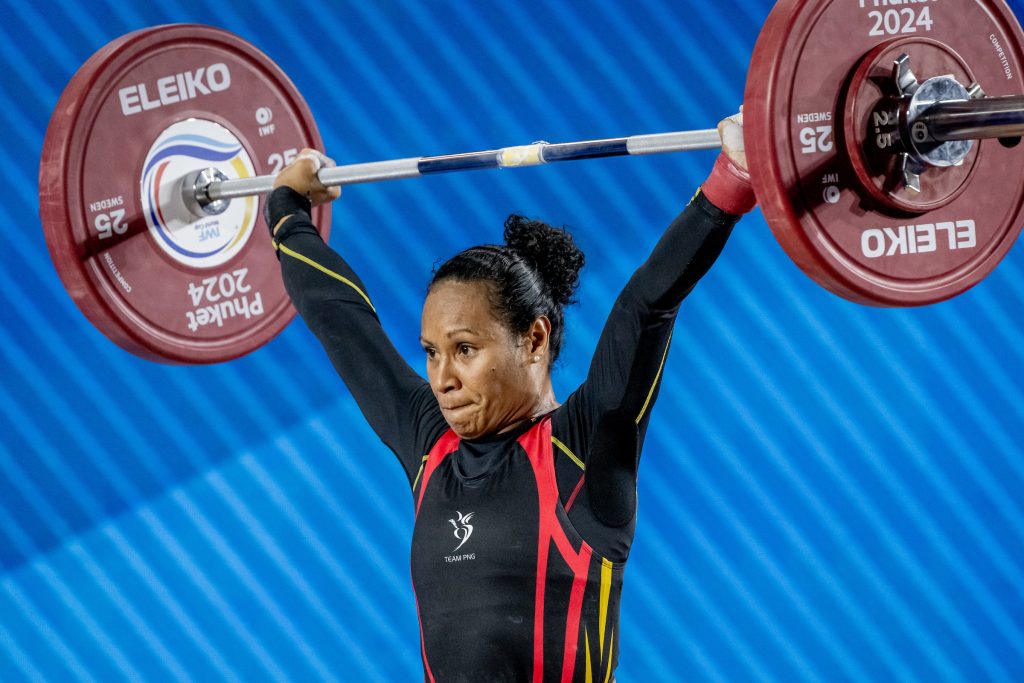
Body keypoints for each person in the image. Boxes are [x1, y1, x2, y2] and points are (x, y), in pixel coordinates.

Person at [264, 113, 755, 682]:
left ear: (535, 339)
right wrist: (286, 210)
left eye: (465, 349)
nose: (442, 378)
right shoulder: (430, 445)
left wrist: (733, 178)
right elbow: (341, 320)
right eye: (431, 352)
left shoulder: (582, 449)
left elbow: (645, 307)